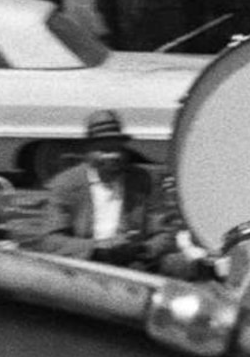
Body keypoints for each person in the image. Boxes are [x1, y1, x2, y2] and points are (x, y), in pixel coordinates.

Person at [27, 111, 168, 267]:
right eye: (104, 150)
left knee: (178, 264)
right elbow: (49, 240)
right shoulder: (65, 184)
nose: (113, 156)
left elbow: (163, 233)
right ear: (88, 152)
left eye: (117, 149)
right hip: (86, 267)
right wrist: (98, 246)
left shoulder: (143, 180)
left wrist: (143, 249)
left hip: (134, 264)